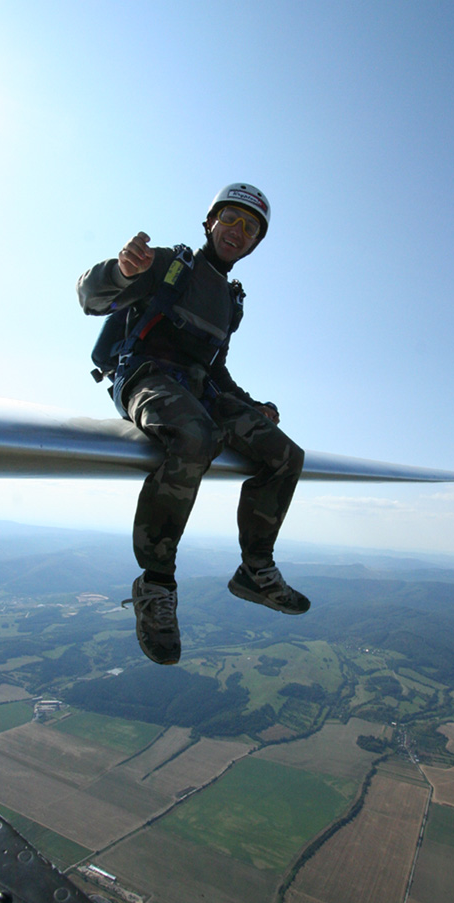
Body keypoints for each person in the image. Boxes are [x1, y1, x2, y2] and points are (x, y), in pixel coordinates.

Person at [76, 183, 309, 666]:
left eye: (250, 228)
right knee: (194, 437)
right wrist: (121, 270)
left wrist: (249, 405)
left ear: (255, 243)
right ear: (210, 222)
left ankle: (255, 569)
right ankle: (156, 584)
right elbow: (89, 297)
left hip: (201, 390)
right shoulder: (166, 264)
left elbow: (216, 368)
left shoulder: (231, 300)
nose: (238, 231)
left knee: (287, 456)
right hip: (145, 377)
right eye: (231, 218)